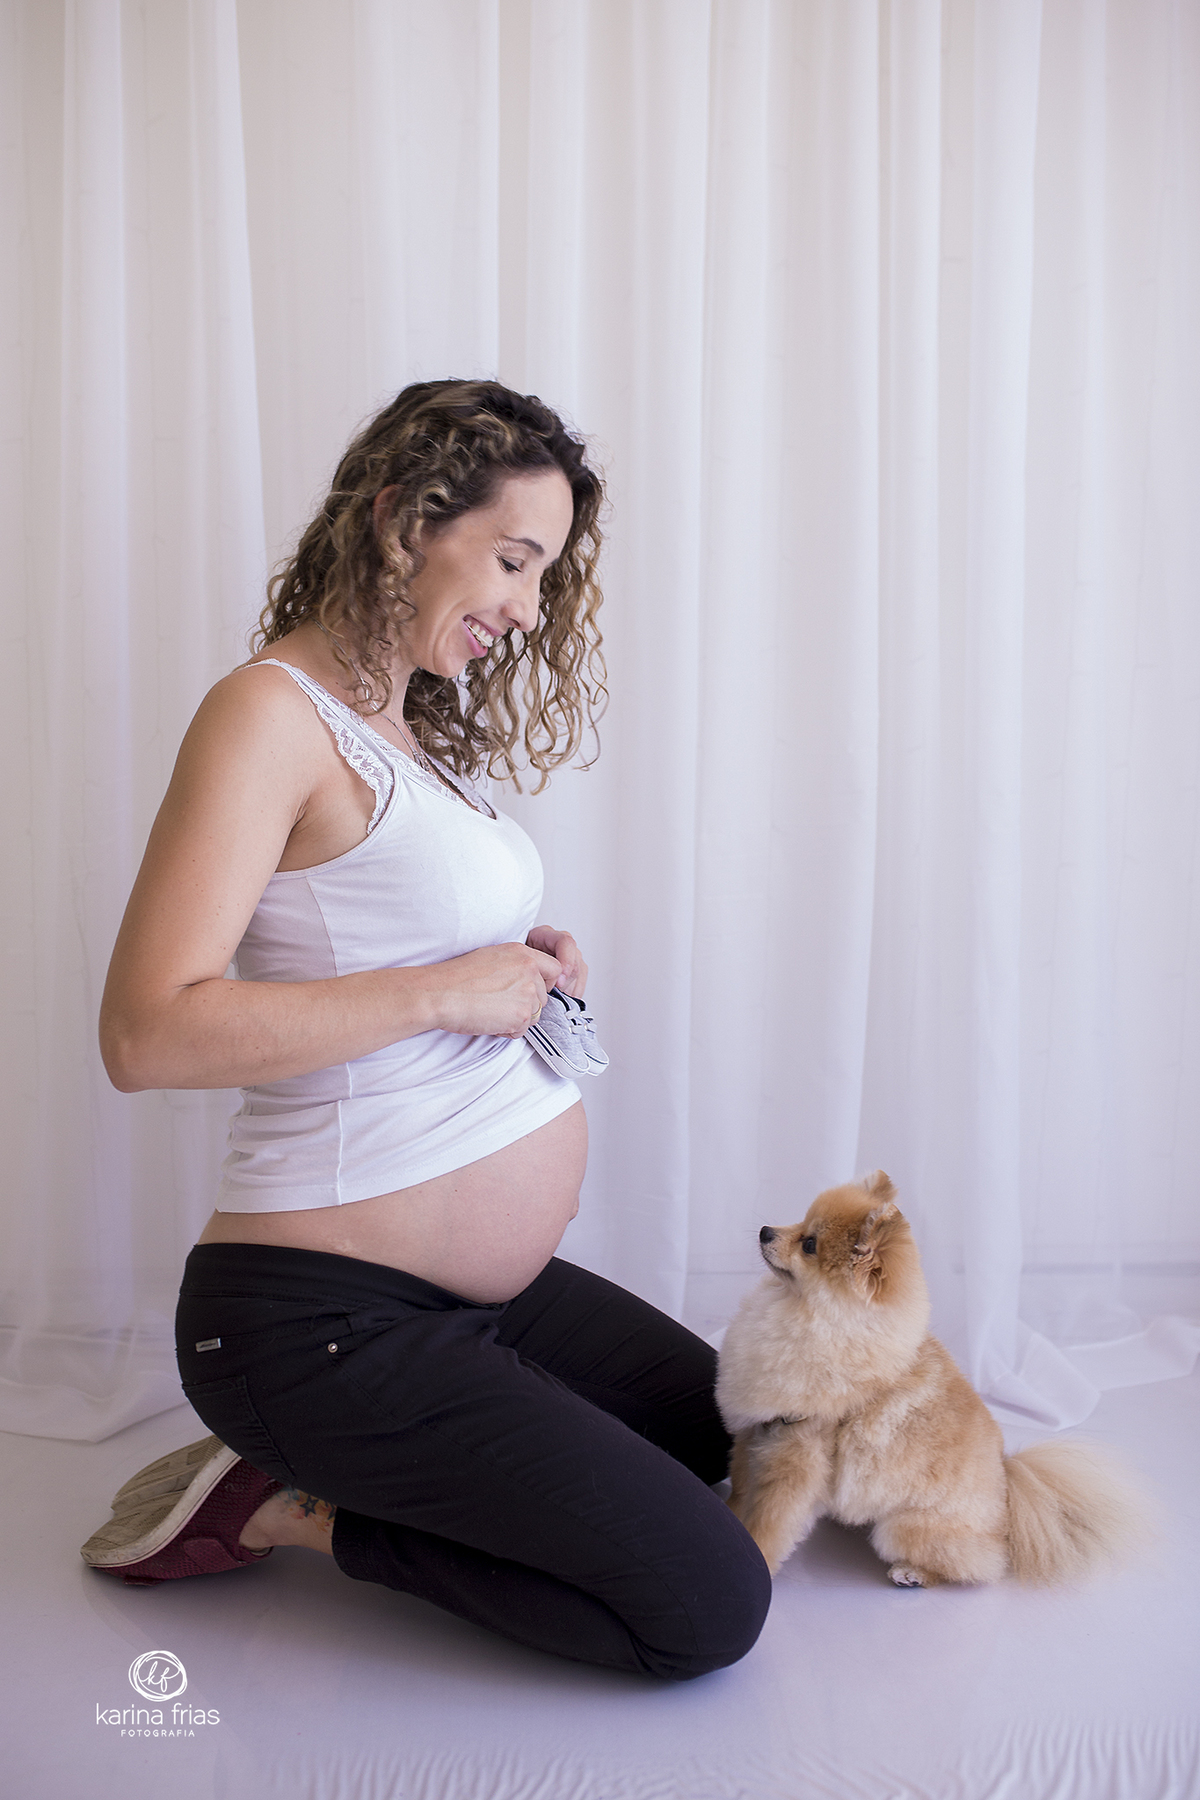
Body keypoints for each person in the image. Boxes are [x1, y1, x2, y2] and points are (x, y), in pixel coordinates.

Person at [81, 379, 771, 1680]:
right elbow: (146, 1033)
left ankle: (406, 1453)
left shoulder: (405, 731)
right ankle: (292, 1508)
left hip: (474, 1302)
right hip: (316, 1320)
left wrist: (517, 965)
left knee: (755, 1448)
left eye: (544, 572)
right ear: (403, 515)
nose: (526, 605)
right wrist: (448, 991)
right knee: (706, 1608)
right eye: (514, 558)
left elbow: (373, 935)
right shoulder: (266, 715)